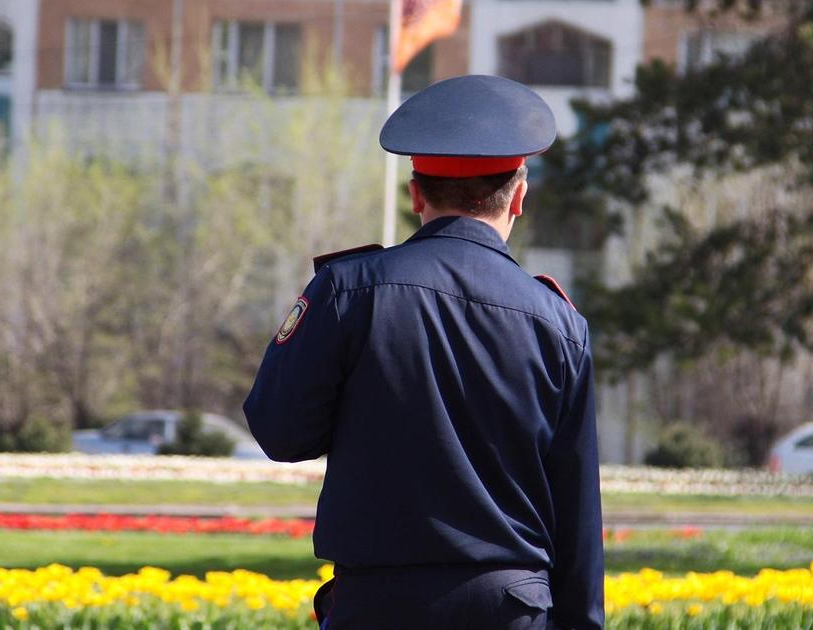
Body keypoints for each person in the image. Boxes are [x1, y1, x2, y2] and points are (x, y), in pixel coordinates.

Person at [242, 75, 604, 629]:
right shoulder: (558, 323)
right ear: (520, 194)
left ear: (415, 193)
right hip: (512, 610)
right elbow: (577, 509)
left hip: (378, 605)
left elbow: (280, 433)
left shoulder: (349, 290)